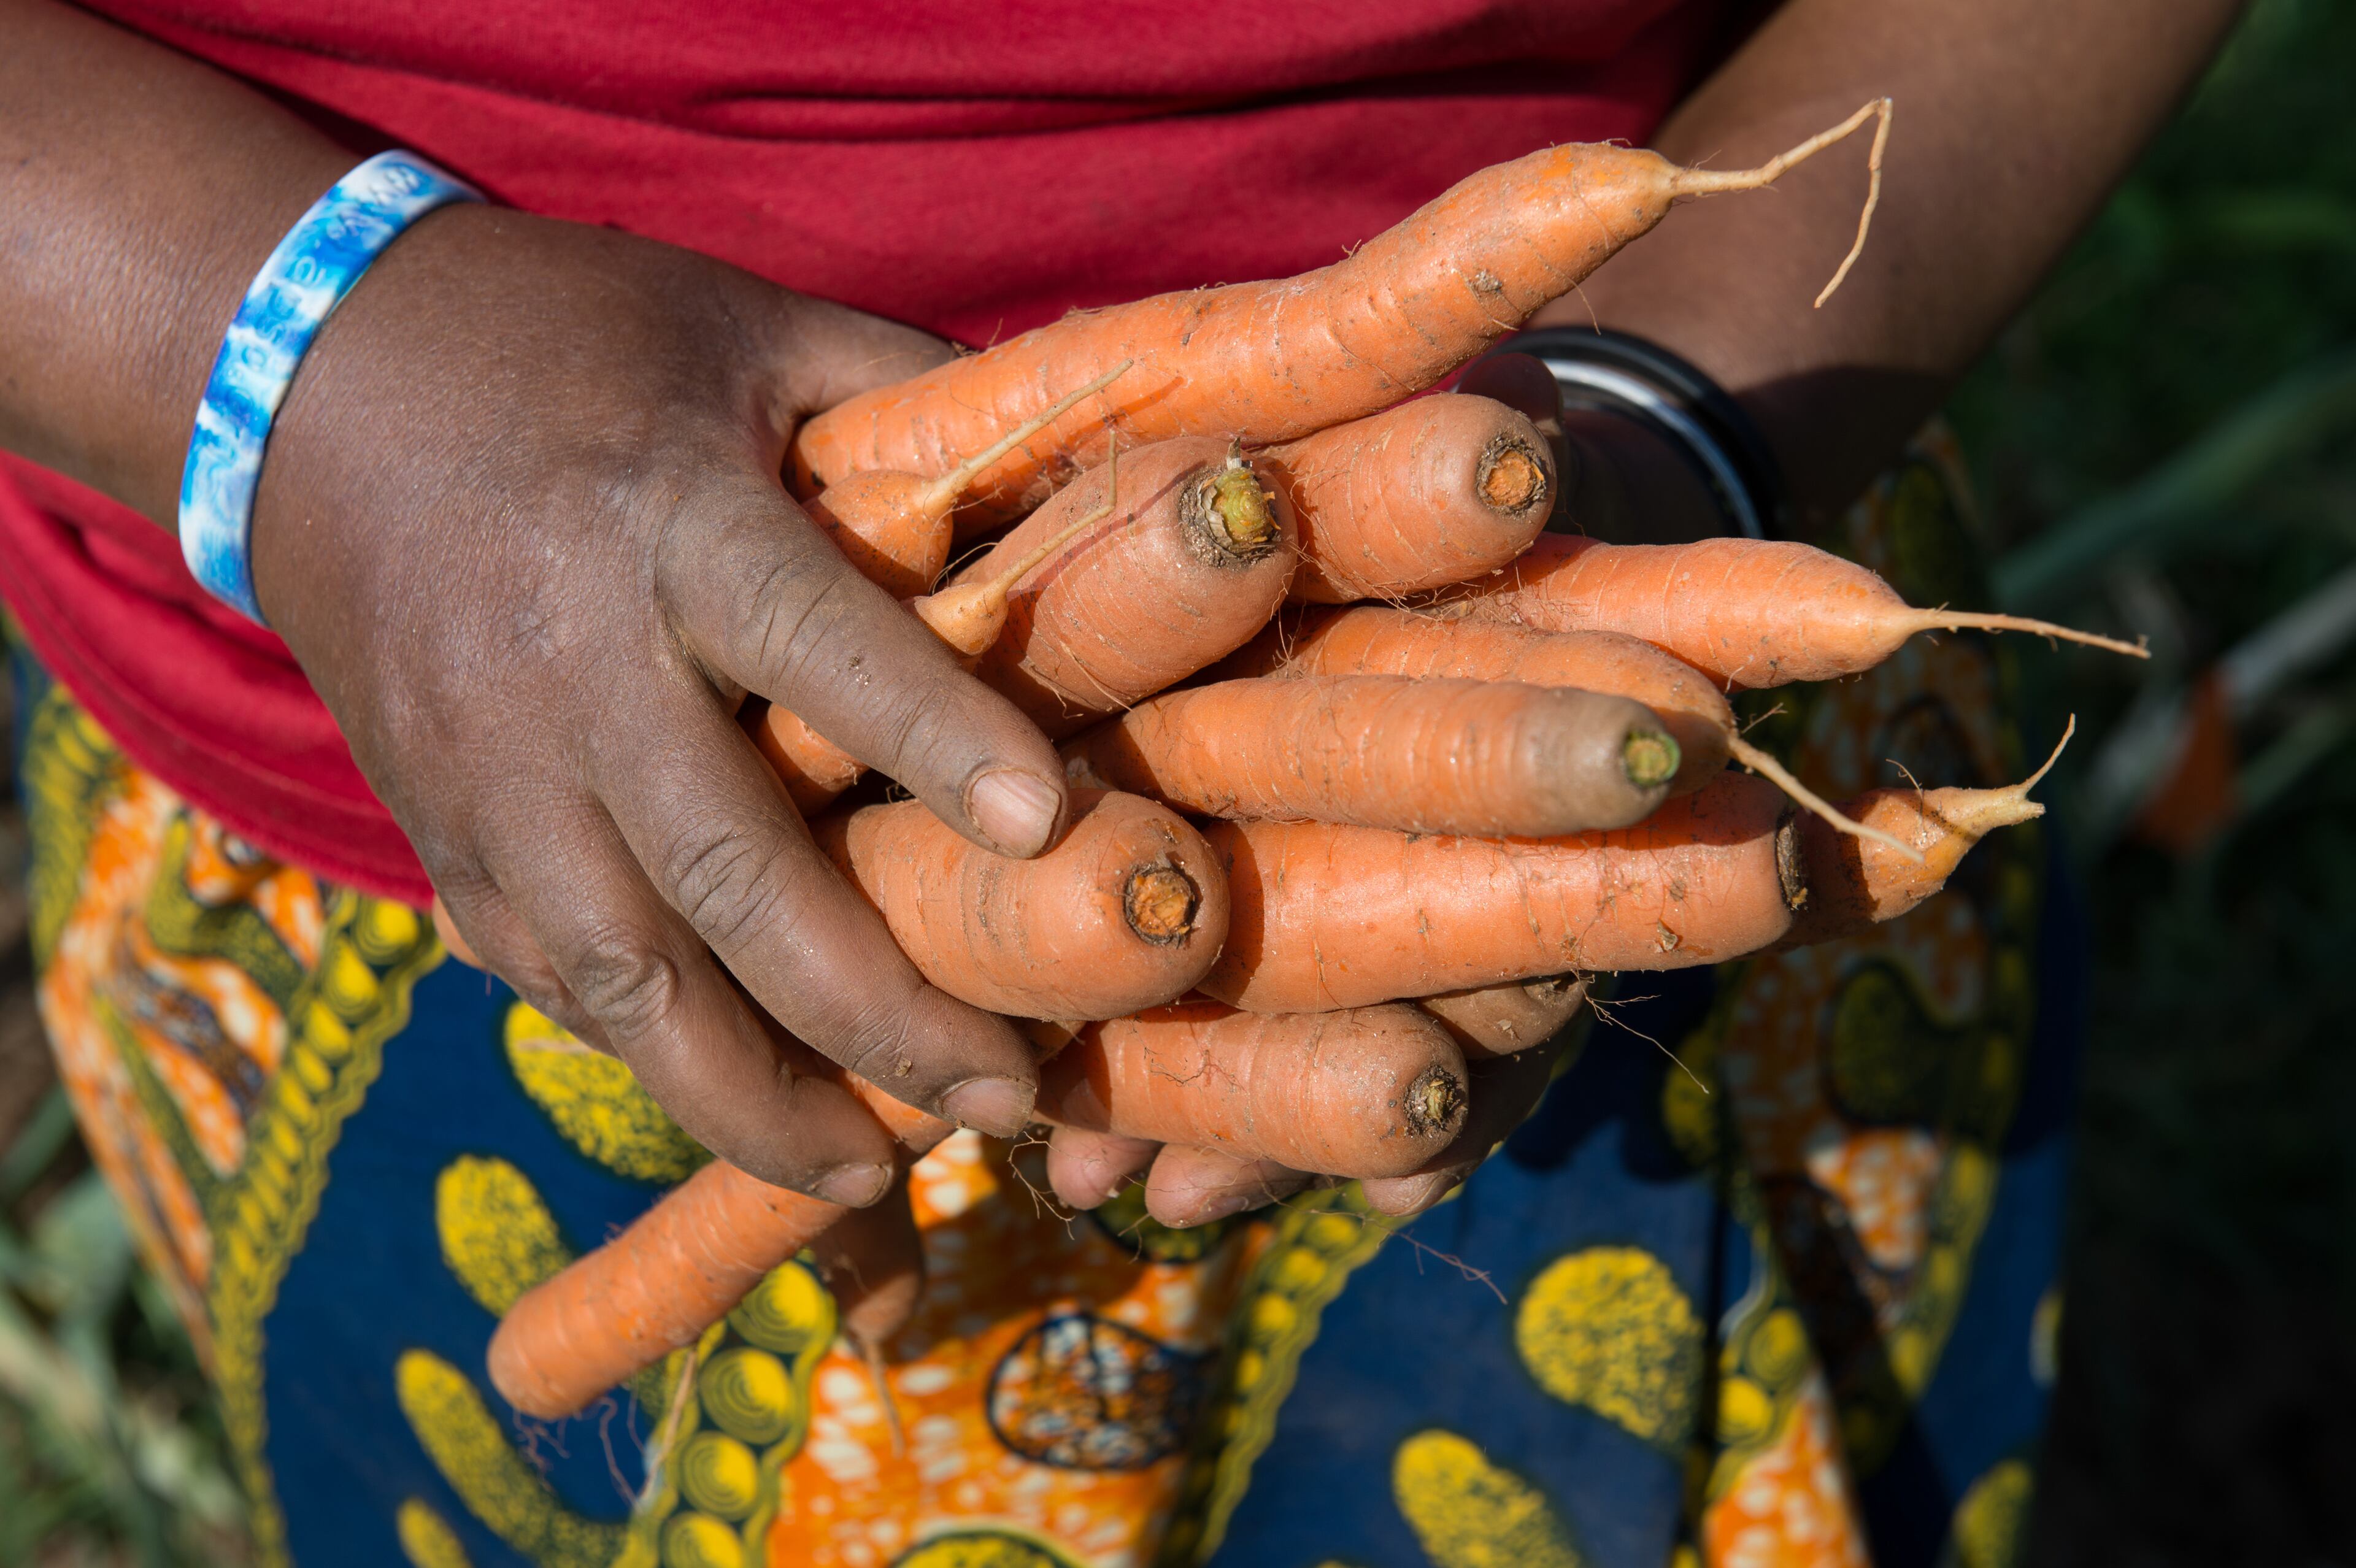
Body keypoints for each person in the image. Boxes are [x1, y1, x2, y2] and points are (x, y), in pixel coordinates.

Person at [0, 1, 2241, 1564]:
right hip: (419, 808)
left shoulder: (1636, 588)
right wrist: (295, 356)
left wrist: (1643, 438)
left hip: (1641, 614)